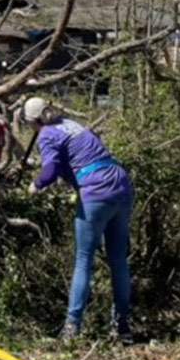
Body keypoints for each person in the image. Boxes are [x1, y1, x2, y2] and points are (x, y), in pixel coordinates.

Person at [24, 96, 135, 341]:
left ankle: (72, 327)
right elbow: (77, 157)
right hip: (121, 185)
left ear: (34, 120)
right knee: (118, 260)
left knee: (84, 260)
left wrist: (36, 184)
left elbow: (51, 170)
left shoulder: (46, 134)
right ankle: (122, 326)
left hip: (96, 192)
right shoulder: (71, 124)